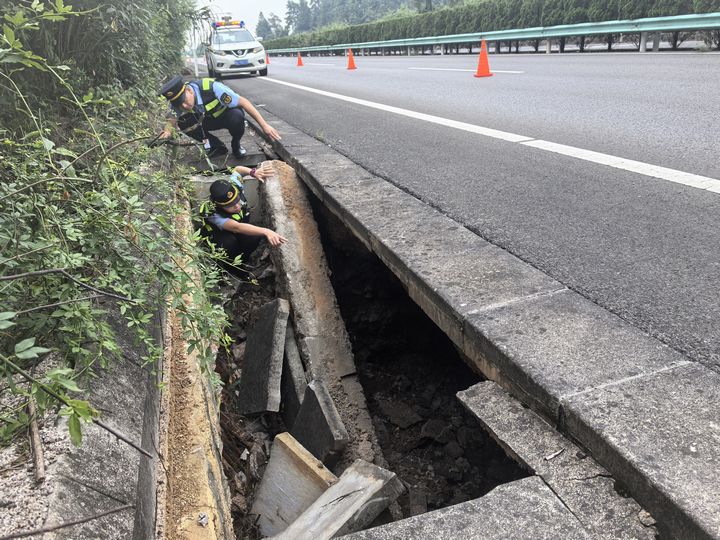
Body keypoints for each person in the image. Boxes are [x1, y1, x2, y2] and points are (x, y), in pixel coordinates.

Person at [158, 75, 281, 159]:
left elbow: (244, 102)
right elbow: (172, 117)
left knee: (237, 116)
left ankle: (236, 144)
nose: (184, 106)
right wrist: (167, 131)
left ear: (189, 91)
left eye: (184, 101)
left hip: (227, 116)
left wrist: (264, 126)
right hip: (208, 119)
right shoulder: (179, 100)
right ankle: (217, 147)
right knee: (184, 122)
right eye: (180, 104)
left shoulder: (213, 88)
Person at [202, 163, 286, 274]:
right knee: (229, 244)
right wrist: (266, 231)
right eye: (230, 205)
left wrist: (254, 172)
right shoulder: (214, 214)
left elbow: (237, 169)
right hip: (219, 236)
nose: (237, 206)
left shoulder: (234, 186)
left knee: (253, 237)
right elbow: (237, 227)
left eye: (237, 200)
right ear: (219, 205)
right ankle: (230, 268)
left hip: (237, 228)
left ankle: (242, 261)